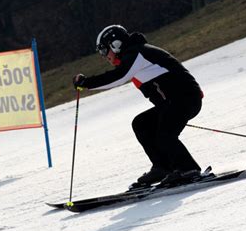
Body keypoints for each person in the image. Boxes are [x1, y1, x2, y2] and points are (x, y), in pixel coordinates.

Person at [73, 24, 203, 189]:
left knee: (164, 135)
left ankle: (188, 169)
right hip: (174, 103)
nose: (104, 56)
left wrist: (86, 83)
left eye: (104, 51)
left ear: (116, 44)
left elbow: (118, 77)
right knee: (142, 123)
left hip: (185, 99)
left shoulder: (137, 53)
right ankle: (163, 168)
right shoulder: (133, 56)